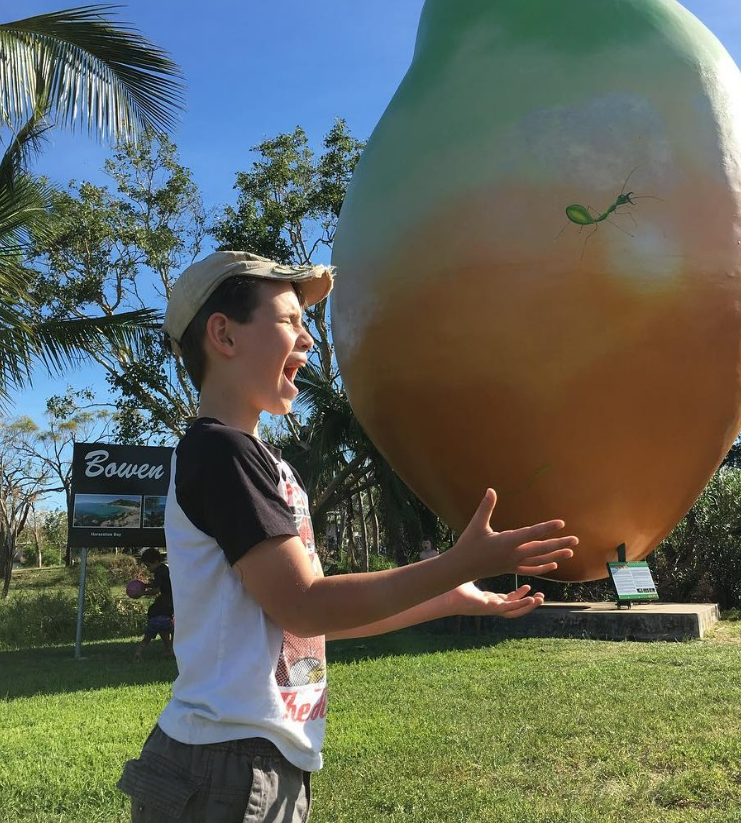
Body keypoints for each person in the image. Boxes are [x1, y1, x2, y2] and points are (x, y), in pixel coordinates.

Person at [118, 250, 577, 822]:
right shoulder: (222, 452)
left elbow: (310, 623)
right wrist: (457, 564)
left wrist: (449, 599)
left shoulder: (260, 461)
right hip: (223, 766)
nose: (308, 340)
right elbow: (306, 605)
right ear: (223, 335)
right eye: (289, 320)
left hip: (260, 763)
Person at [132, 547, 174, 661]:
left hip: (167, 601)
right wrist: (145, 585)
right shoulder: (163, 569)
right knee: (165, 627)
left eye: (148, 565)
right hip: (168, 601)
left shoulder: (159, 571)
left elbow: (156, 590)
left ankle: (170, 650)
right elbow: (157, 584)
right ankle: (169, 650)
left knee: (162, 628)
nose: (147, 568)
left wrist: (142, 592)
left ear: (156, 561)